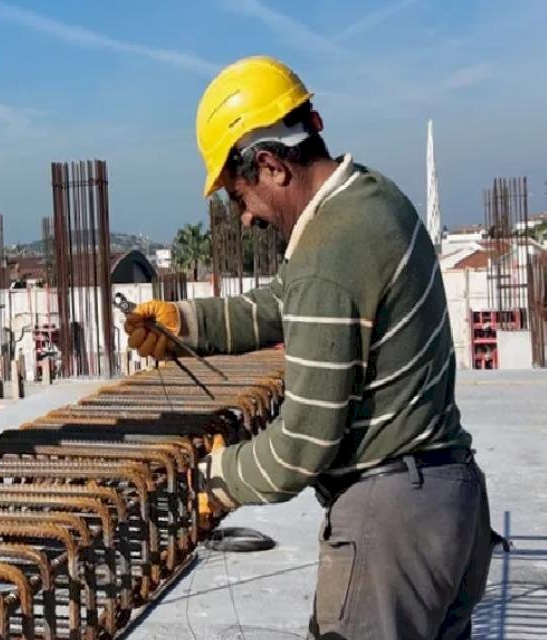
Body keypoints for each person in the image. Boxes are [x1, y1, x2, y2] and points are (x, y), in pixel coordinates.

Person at [125, 56, 496, 639]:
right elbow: (286, 301)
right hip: (447, 507)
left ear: (271, 165)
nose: (244, 218)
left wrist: (215, 478)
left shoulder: (332, 248)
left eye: (237, 194)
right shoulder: (369, 199)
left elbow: (302, 445)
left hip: (391, 528)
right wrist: (185, 323)